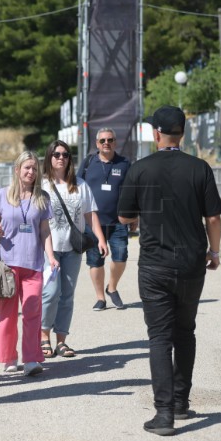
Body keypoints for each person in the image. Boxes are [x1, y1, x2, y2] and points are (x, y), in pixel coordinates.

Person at [118, 106, 221, 436]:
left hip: (154, 265)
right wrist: (215, 251)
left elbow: (124, 217)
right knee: (185, 332)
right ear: (183, 133)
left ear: (156, 134)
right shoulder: (199, 169)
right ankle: (180, 402)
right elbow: (214, 219)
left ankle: (164, 414)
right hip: (192, 263)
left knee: (160, 337)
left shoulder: (140, 169)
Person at [0, 151, 59, 376]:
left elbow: (44, 230)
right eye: (27, 168)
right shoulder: (0, 196)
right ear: (17, 169)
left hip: (33, 264)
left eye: (34, 168)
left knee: (32, 313)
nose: (31, 172)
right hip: (8, 264)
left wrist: (51, 255)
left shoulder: (42, 198)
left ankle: (31, 359)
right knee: (8, 316)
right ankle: (9, 358)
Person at [41, 140, 106, 359]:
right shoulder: (42, 185)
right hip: (48, 248)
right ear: (49, 157)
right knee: (50, 294)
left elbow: (91, 213)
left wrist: (100, 238)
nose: (61, 158)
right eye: (57, 154)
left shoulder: (80, 184)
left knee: (67, 295)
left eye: (66, 154)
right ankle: (43, 337)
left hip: (73, 248)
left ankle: (62, 341)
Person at [79, 128, 133, 311]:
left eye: (110, 139)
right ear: (97, 144)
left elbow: (133, 191)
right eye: (102, 140)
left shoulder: (124, 163)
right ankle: (100, 298)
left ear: (115, 142)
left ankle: (112, 287)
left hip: (118, 221)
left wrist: (134, 216)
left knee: (121, 257)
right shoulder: (88, 163)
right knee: (95, 261)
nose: (106, 143)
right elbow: (76, 188)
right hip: (92, 222)